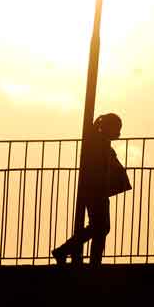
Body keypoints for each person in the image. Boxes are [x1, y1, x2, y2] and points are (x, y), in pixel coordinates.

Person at [52, 113, 131, 266]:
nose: (119, 132)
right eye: (117, 128)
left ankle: (79, 255)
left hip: (97, 190)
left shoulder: (100, 142)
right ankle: (67, 251)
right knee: (100, 227)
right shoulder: (98, 143)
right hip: (96, 190)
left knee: (100, 227)